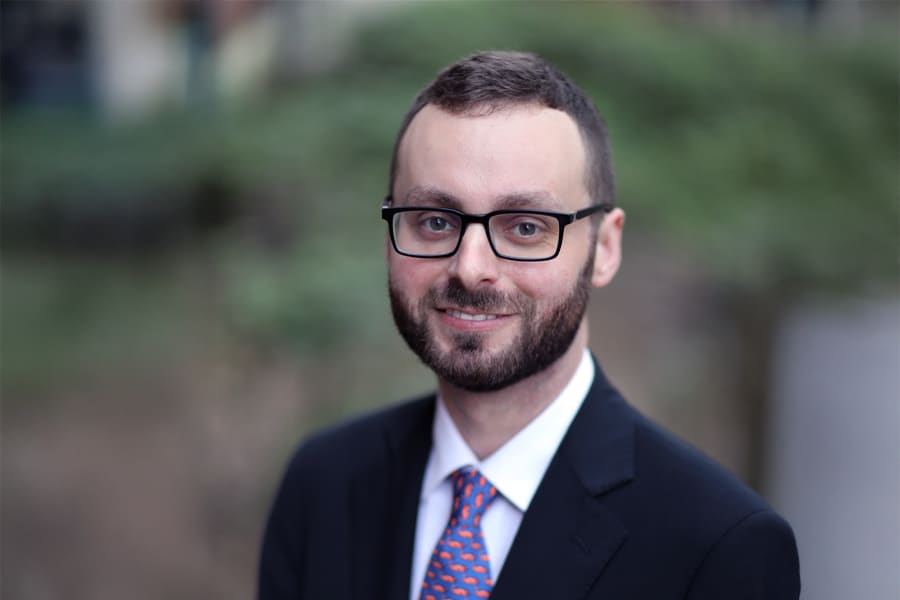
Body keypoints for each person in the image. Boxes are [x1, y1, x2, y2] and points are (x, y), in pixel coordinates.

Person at [258, 50, 800, 600]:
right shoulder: (323, 484)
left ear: (605, 248)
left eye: (524, 227)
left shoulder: (719, 547)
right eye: (435, 221)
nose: (471, 268)